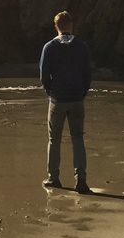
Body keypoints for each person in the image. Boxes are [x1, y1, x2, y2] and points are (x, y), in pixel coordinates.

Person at [39, 10, 93, 193]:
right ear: (71, 25)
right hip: (77, 97)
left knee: (54, 140)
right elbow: (88, 74)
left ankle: (54, 178)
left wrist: (51, 92)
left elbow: (44, 75)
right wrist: (82, 91)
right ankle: (81, 180)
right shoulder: (82, 46)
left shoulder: (50, 47)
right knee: (78, 139)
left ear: (56, 27)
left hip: (58, 98)